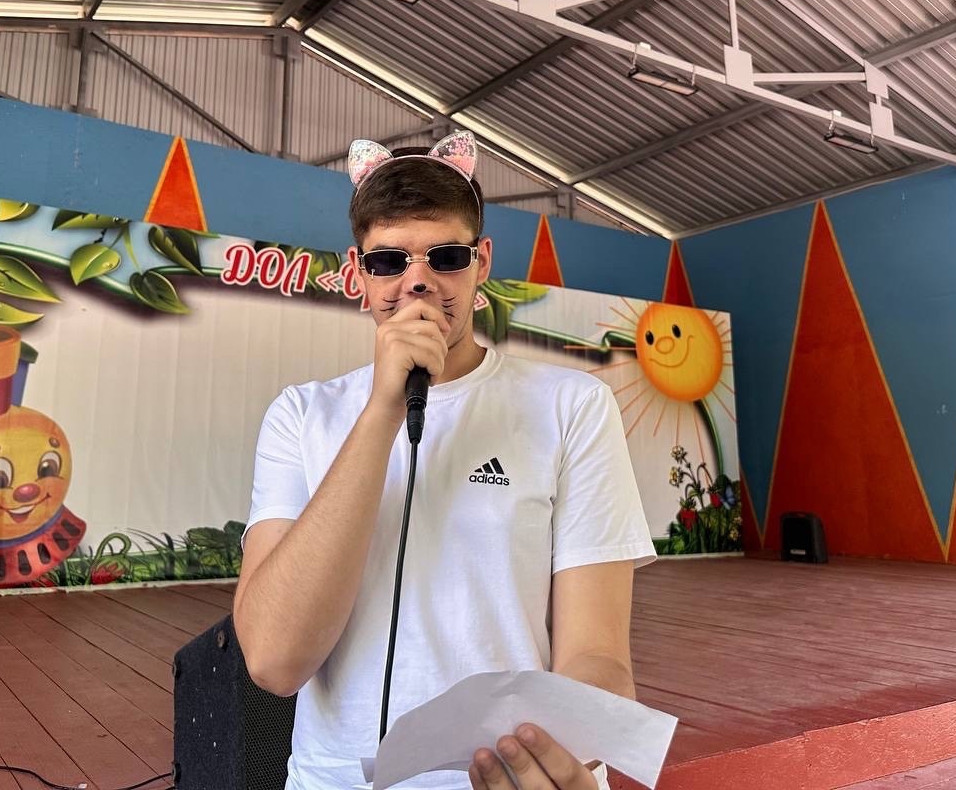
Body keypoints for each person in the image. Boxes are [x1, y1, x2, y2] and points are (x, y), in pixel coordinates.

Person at [234, 131, 655, 790]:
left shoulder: (572, 405)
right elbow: (273, 660)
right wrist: (383, 411)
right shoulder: (300, 415)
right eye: (389, 261)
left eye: (446, 256)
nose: (418, 281)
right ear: (358, 273)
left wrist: (567, 755)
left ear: (481, 262)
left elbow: (598, 656)